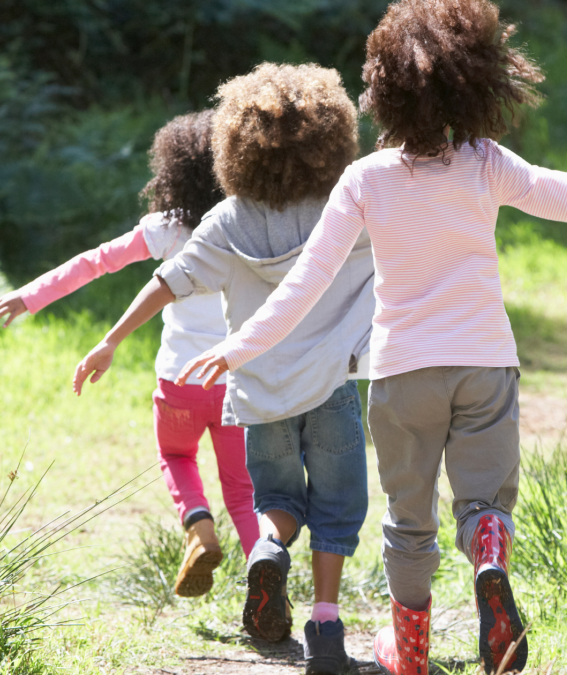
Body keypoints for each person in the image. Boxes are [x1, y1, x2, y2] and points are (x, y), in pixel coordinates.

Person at [178, 1, 567, 673]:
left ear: (382, 91)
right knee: (484, 500)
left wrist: (239, 346)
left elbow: (304, 283)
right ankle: (488, 546)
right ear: (476, 81)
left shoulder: (363, 180)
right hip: (485, 365)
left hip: (402, 376)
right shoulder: (486, 163)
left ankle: (411, 649)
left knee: (408, 521)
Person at [72, 63, 374, 675]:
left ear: (234, 143)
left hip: (258, 394)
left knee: (279, 499)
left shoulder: (228, 219)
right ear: (331, 136)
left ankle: (267, 549)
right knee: (338, 510)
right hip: (331, 389)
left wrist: (110, 340)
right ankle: (325, 628)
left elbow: (166, 283)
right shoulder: (343, 209)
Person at [0, 110, 260, 598]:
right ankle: (266, 580)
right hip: (238, 382)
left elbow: (95, 263)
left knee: (175, 453)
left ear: (175, 171)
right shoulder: (250, 225)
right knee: (242, 489)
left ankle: (198, 527)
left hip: (180, 382)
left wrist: (30, 296)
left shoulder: (168, 229)